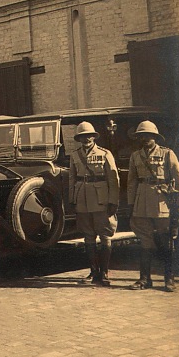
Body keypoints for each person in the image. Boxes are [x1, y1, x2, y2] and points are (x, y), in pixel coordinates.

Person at [127, 120, 179, 292]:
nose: (145, 139)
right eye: (141, 136)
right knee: (145, 242)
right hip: (142, 203)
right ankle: (144, 279)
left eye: (148, 136)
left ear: (155, 137)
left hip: (162, 202)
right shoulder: (135, 156)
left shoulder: (167, 154)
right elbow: (132, 181)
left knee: (166, 242)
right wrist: (131, 204)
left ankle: (169, 279)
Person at [69, 122, 120, 286]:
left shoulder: (105, 154)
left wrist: (113, 201)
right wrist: (72, 199)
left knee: (105, 235)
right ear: (79, 139)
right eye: (82, 136)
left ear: (94, 137)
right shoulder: (75, 155)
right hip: (82, 200)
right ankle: (93, 272)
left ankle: (104, 273)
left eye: (88, 136)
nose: (86, 139)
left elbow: (114, 179)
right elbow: (72, 178)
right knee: (88, 236)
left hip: (101, 199)